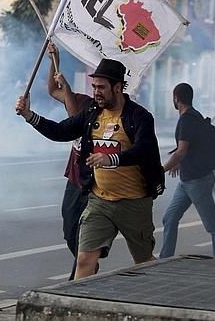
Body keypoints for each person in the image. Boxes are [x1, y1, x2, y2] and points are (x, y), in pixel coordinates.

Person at [15, 58, 164, 279]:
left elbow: (143, 150)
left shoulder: (139, 117)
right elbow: (61, 131)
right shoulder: (92, 113)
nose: (96, 92)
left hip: (134, 202)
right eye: (94, 87)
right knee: (84, 260)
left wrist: (110, 160)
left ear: (117, 87)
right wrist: (30, 116)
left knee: (143, 260)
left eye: (101, 87)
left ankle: (165, 291)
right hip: (99, 202)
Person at [159, 83, 215, 259]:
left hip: (197, 180)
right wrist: (180, 163)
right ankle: (165, 259)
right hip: (188, 180)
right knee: (169, 218)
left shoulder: (186, 120)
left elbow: (182, 150)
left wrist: (161, 170)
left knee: (211, 225)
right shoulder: (195, 116)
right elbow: (195, 147)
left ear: (176, 98)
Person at [46, 43, 90, 280]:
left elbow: (75, 121)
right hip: (73, 179)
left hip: (91, 182)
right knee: (69, 229)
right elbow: (52, 90)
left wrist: (69, 89)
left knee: (85, 233)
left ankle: (82, 272)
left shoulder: (93, 109)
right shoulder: (79, 99)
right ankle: (87, 265)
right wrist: (54, 60)